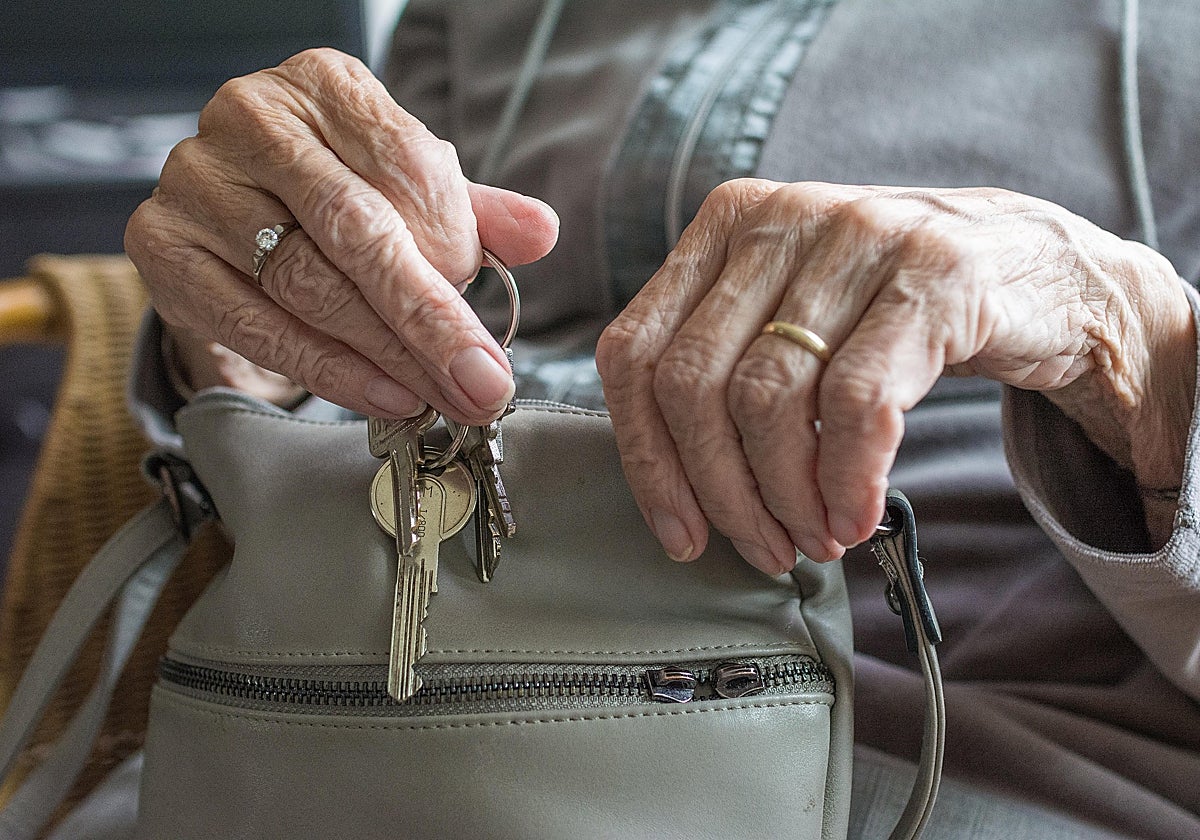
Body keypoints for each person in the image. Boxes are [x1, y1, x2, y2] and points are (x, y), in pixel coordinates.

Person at [122, 1, 1200, 837]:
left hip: (975, 754)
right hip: (326, 722)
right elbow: (356, 367)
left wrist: (1118, 329)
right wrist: (247, 318)